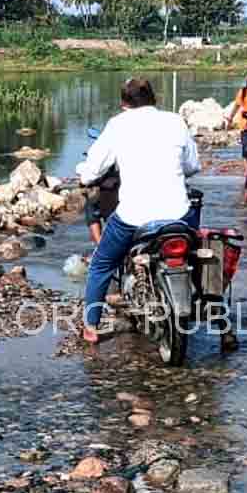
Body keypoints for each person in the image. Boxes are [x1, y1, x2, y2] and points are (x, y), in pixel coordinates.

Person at [76, 78, 202, 345]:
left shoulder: (117, 125)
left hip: (134, 217)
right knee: (197, 251)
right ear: (153, 98)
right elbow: (192, 166)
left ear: (123, 103)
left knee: (101, 264)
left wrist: (85, 177)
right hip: (179, 214)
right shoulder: (175, 121)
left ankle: (90, 326)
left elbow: (92, 170)